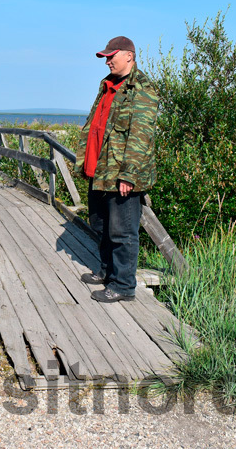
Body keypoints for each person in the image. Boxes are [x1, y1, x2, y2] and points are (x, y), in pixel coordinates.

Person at [73, 36, 159, 302]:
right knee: (100, 225)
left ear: (129, 56)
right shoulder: (107, 85)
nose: (108, 61)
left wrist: (129, 175)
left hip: (121, 173)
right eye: (106, 57)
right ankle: (107, 271)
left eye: (112, 56)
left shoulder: (142, 88)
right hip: (99, 169)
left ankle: (122, 286)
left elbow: (140, 135)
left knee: (122, 231)